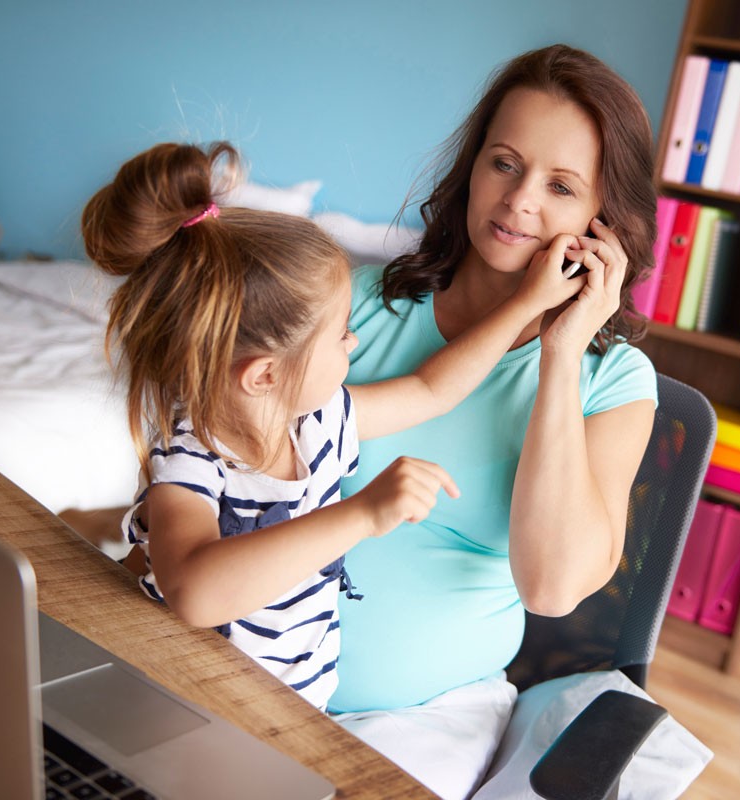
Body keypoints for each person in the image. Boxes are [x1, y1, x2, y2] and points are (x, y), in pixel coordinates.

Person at [79, 141, 585, 712]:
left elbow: (432, 389)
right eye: (340, 333)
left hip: (291, 711)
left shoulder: (319, 421)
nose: (355, 341)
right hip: (184, 699)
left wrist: (528, 305)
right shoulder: (191, 457)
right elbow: (194, 592)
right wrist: (361, 514)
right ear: (266, 374)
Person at [329, 44, 663, 798]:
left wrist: (561, 353)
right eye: (504, 163)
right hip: (262, 662)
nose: (518, 202)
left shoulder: (615, 383)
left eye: (561, 186)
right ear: (472, 166)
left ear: (602, 222)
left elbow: (550, 587)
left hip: (417, 723)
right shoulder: (356, 302)